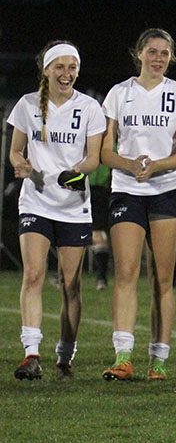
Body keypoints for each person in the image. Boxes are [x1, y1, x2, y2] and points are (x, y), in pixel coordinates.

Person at [101, 28, 176, 381]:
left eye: (164, 53)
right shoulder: (118, 94)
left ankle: (158, 360)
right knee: (125, 272)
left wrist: (157, 165)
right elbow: (104, 150)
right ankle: (123, 357)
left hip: (167, 190)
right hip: (127, 189)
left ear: (171, 57)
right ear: (138, 53)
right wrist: (129, 165)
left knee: (161, 278)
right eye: (152, 51)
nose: (158, 59)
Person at [9, 41, 105, 379]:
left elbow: (93, 158)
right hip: (35, 200)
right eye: (60, 67)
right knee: (33, 275)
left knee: (70, 284)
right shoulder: (26, 105)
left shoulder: (90, 108)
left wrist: (75, 174)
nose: (67, 74)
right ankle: (31, 353)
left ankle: (65, 353)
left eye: (72, 67)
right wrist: (21, 165)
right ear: (46, 69)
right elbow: (15, 151)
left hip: (73, 206)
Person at [87, 161, 112, 291]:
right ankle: (102, 277)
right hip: (91, 189)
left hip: (98, 191)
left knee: (98, 234)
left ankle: (102, 276)